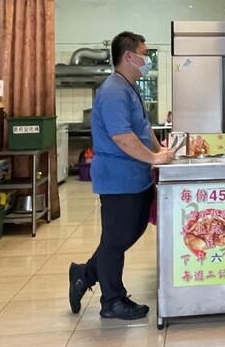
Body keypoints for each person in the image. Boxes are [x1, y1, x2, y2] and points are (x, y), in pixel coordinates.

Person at [69, 31, 174, 320]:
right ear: (129, 56)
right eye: (145, 53)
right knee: (115, 241)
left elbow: (143, 127)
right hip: (118, 179)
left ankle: (83, 274)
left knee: (129, 232)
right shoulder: (114, 91)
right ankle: (112, 301)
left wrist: (160, 150)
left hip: (135, 177)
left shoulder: (130, 87)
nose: (147, 59)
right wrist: (154, 158)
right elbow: (122, 137)